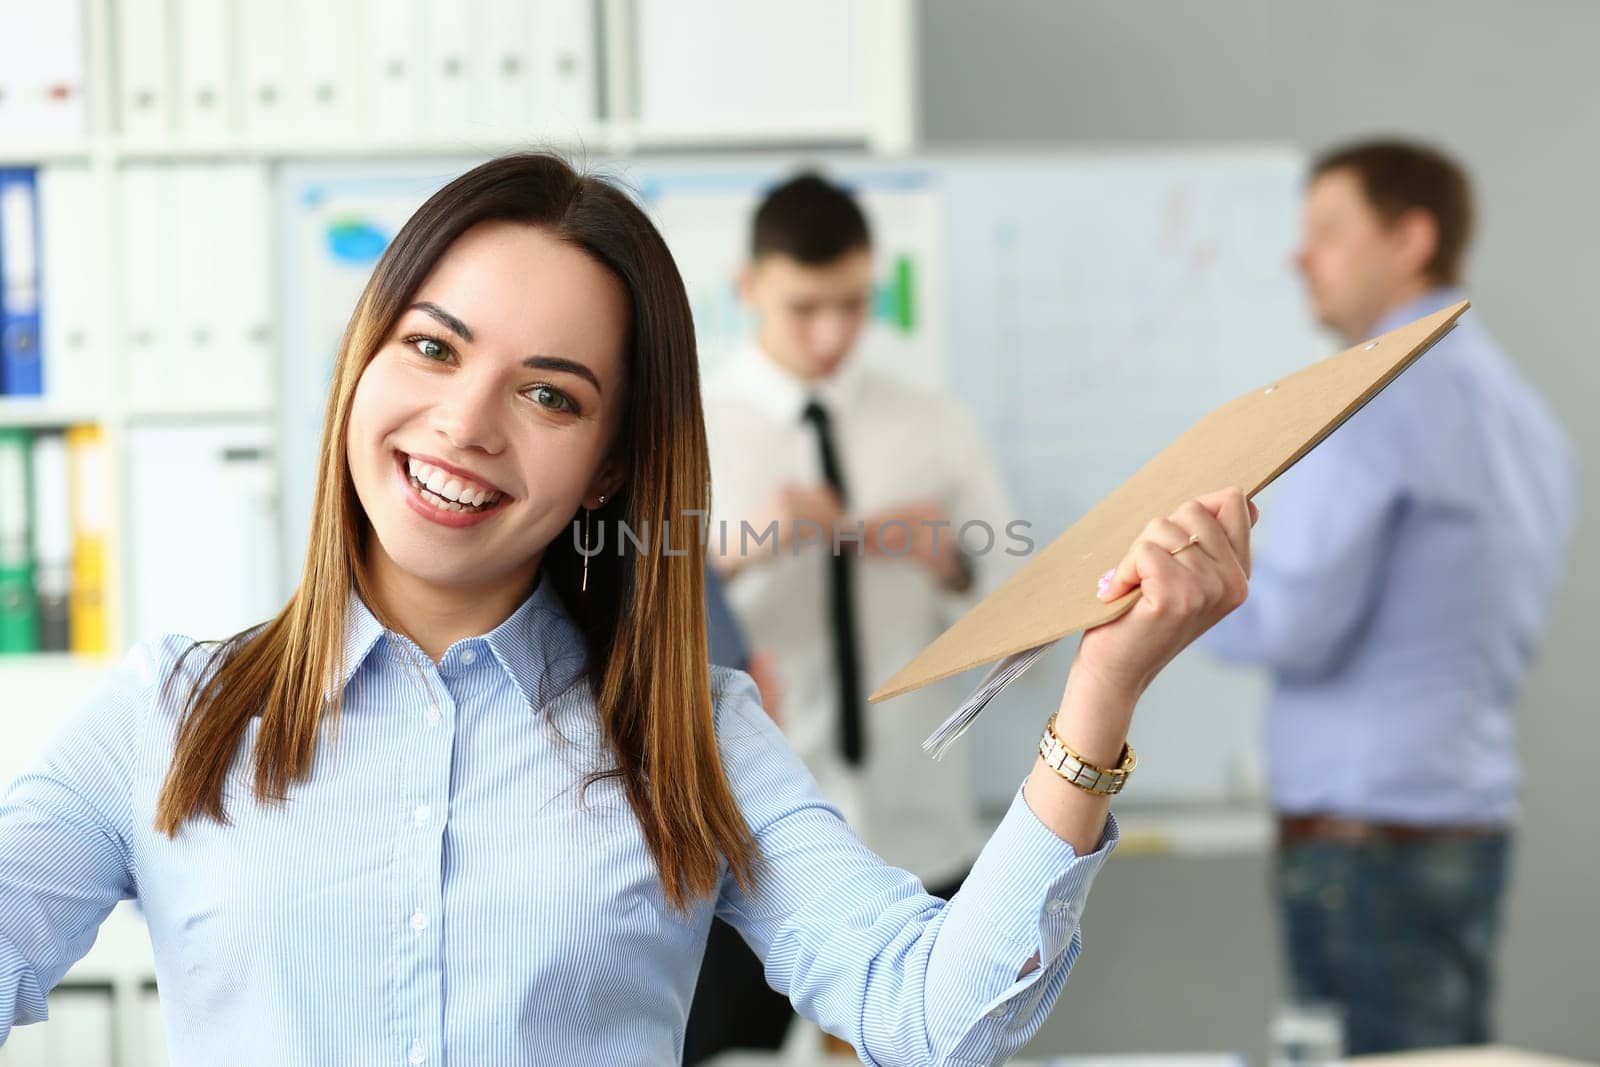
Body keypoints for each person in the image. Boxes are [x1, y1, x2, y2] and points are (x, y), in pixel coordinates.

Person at [0, 152, 1256, 1065]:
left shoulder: (687, 735)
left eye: (549, 394)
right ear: (364, 360)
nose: (465, 424)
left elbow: (925, 1012)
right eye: (433, 349)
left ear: (609, 462)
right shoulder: (171, 714)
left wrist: (1100, 693)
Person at [1203, 140, 1577, 1054]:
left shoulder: (1371, 401)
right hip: (1458, 820)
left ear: (1413, 237)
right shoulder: (1521, 408)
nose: (1301, 256)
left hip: (1364, 850)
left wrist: (1179, 587)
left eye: (1329, 230)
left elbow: (1294, 625)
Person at [691, 172, 1022, 1058]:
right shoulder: (684, 429)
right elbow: (624, 617)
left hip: (917, 815)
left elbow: (1023, 601)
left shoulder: (933, 423)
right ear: (748, 289)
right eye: (805, 307)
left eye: (853, 303)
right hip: (742, 827)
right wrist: (743, 551)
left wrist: (947, 553)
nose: (833, 333)